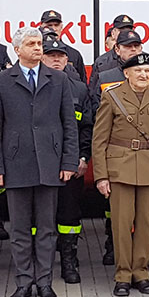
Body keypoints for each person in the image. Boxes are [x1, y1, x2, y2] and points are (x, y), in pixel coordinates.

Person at [0, 27, 79, 297]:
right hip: (16, 164)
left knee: (48, 229)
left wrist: (69, 161)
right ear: (17, 50)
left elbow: (69, 126)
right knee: (19, 230)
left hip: (50, 163)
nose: (38, 48)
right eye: (31, 44)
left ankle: (45, 282)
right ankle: (24, 282)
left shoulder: (59, 79)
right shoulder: (1, 81)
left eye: (39, 43)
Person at [94, 52, 149, 296]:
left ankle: (141, 273)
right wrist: (101, 176)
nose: (143, 75)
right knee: (121, 224)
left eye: (147, 71)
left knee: (146, 224)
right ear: (126, 73)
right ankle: (122, 275)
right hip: (120, 168)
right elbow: (99, 140)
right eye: (138, 71)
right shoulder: (112, 96)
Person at [40, 34, 94, 284]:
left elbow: (87, 127)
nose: (56, 60)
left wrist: (83, 157)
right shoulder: (33, 86)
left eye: (60, 56)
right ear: (41, 57)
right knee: (38, 217)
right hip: (40, 164)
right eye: (51, 55)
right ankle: (40, 262)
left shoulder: (79, 89)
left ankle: (69, 261)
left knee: (69, 215)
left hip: (70, 162)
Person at [39, 9, 87, 83]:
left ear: (61, 27)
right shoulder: (36, 52)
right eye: (49, 25)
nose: (54, 29)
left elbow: (82, 83)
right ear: (41, 26)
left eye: (56, 25)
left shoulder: (74, 54)